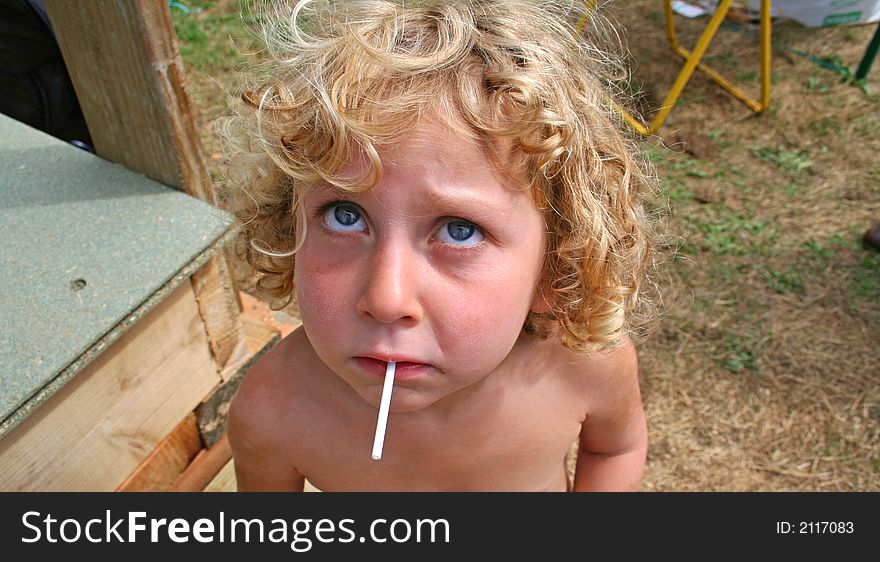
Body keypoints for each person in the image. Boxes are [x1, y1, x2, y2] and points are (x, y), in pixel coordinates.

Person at [222, 0, 658, 491]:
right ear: (289, 226)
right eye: (345, 216)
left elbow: (615, 447)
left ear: (556, 266)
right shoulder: (275, 411)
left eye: (458, 230)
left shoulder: (586, 369)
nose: (387, 300)